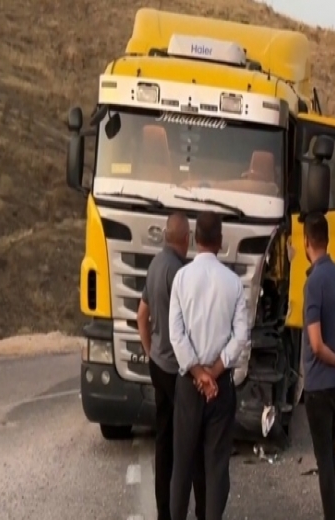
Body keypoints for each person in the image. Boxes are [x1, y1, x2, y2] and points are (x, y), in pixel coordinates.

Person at [168, 211, 249, 520]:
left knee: (183, 466)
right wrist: (214, 372)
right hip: (221, 387)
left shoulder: (181, 279)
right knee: (216, 467)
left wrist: (197, 372)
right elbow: (241, 333)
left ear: (194, 239)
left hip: (188, 387)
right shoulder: (233, 283)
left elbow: (176, 334)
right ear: (219, 241)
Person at [136, 212, 206, 520]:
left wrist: (151, 351)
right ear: (185, 238)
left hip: (158, 365)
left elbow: (142, 315)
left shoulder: (153, 266)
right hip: (179, 371)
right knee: (188, 443)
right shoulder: (181, 274)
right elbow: (190, 328)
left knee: (162, 440)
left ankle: (163, 511)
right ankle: (191, 509)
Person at [300, 213, 335, 520]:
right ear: (328, 240)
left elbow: (316, 344)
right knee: (331, 454)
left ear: (307, 242)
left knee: (324, 458)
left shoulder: (313, 282)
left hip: (319, 386)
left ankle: (329, 517)